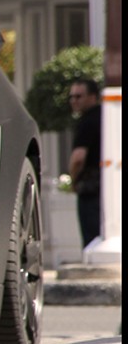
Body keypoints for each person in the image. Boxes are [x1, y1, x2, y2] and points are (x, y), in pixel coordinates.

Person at [67, 78, 102, 246]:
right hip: (109, 185)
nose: (74, 100)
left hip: (91, 187)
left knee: (92, 239)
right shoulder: (107, 116)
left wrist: (73, 180)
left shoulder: (87, 121)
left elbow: (78, 158)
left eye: (78, 96)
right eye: (71, 97)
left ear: (93, 96)